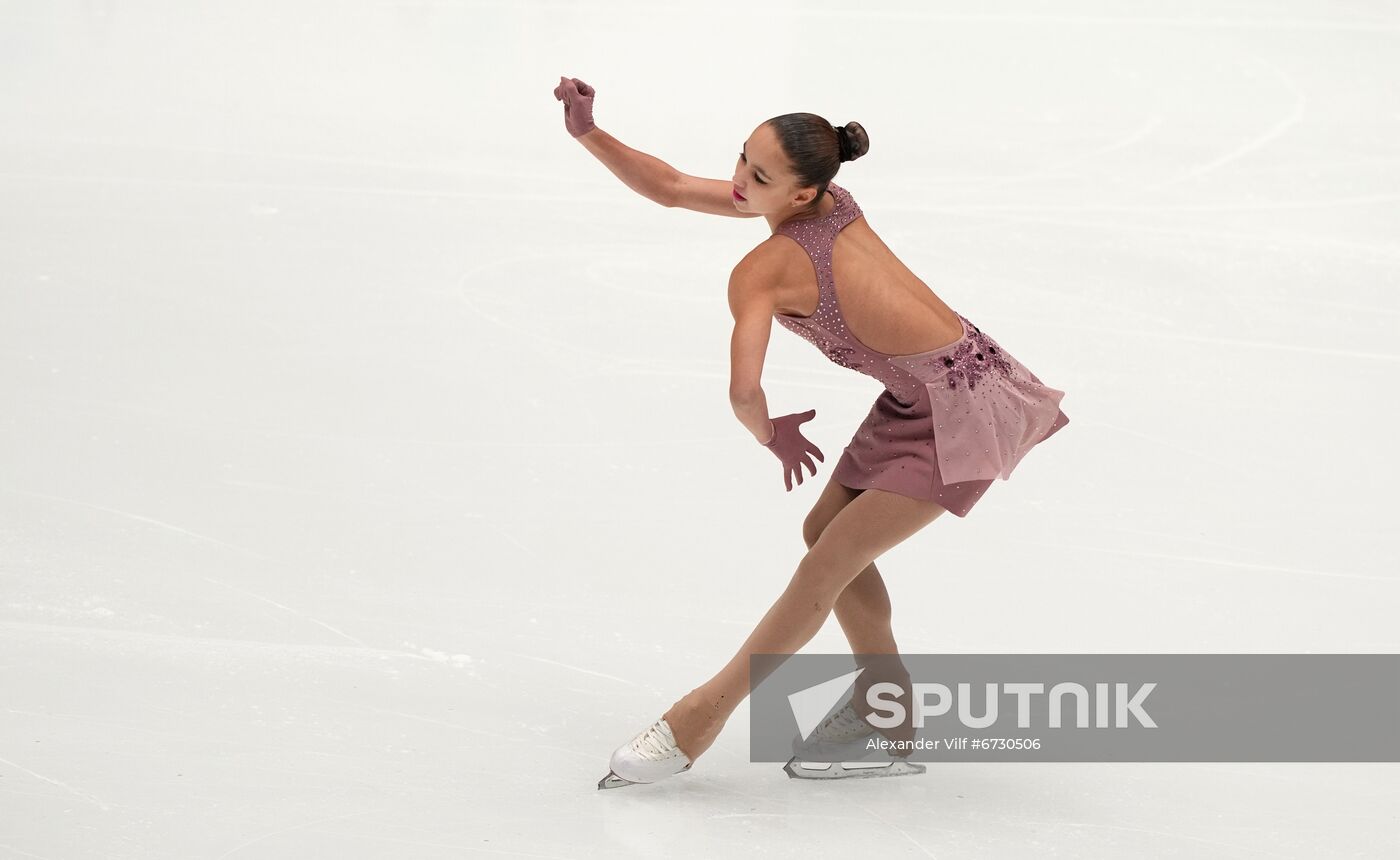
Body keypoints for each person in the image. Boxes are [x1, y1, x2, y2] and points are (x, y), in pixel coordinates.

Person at [552, 76, 1070, 788]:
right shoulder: (829, 200)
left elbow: (743, 390)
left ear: (800, 194)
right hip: (926, 393)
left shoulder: (764, 272)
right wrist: (588, 132)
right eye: (741, 158)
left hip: (960, 412)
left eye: (758, 176)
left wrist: (770, 432)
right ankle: (887, 712)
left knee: (823, 566)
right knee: (823, 536)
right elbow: (673, 185)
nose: (737, 183)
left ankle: (696, 718)